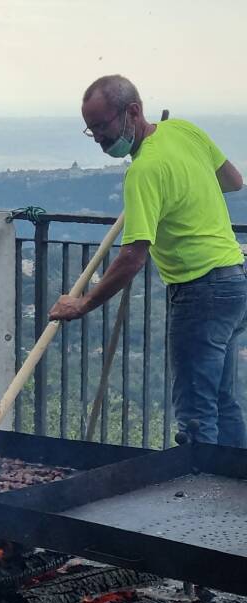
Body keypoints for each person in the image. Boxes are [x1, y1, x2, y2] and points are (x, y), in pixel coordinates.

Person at [49, 75, 246, 447]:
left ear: (133, 111)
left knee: (196, 413)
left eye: (103, 127)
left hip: (200, 290)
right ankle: (236, 492)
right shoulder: (184, 132)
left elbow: (131, 258)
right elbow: (233, 181)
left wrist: (84, 304)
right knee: (222, 401)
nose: (101, 140)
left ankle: (202, 501)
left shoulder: (143, 171)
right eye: (92, 131)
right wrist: (188, 186)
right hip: (234, 282)